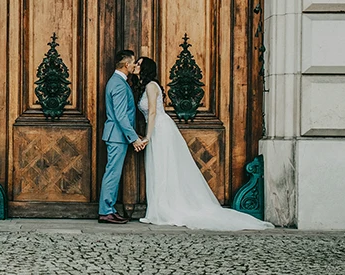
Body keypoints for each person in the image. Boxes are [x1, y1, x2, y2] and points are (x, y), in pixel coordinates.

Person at [132, 56, 274, 230]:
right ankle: (156, 209)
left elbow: (153, 112)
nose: (135, 66)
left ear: (145, 68)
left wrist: (147, 136)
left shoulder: (151, 86)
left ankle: (164, 209)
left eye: (139, 64)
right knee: (158, 167)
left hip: (159, 129)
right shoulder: (145, 87)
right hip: (156, 129)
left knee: (163, 167)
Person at [97, 50, 146, 224]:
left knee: (113, 173)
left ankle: (109, 209)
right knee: (112, 173)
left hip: (118, 135)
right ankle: (106, 211)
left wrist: (134, 134)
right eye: (133, 63)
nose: (135, 66)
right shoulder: (118, 84)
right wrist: (134, 139)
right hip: (117, 136)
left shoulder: (119, 81)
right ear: (126, 65)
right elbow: (120, 115)